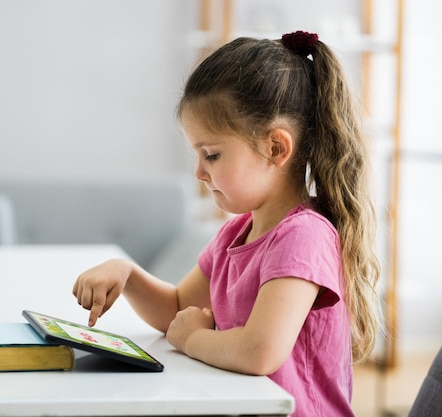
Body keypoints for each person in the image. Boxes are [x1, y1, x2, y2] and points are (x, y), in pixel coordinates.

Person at [72, 30, 381, 417]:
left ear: (275, 148)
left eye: (212, 155)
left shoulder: (304, 236)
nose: (199, 171)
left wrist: (192, 340)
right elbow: (179, 310)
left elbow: (259, 352)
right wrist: (128, 275)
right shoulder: (236, 233)